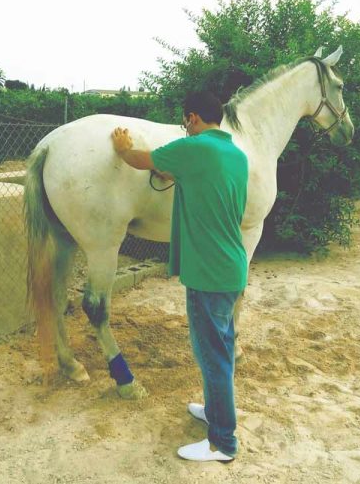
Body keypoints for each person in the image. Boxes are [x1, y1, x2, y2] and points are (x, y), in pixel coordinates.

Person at [110, 90, 248, 463]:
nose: (186, 126)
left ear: (192, 119)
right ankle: (214, 411)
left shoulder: (195, 148)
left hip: (208, 273)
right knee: (220, 350)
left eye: (187, 121)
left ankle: (222, 442)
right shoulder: (235, 155)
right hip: (230, 267)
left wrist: (123, 149)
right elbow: (187, 177)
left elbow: (144, 160)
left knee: (212, 354)